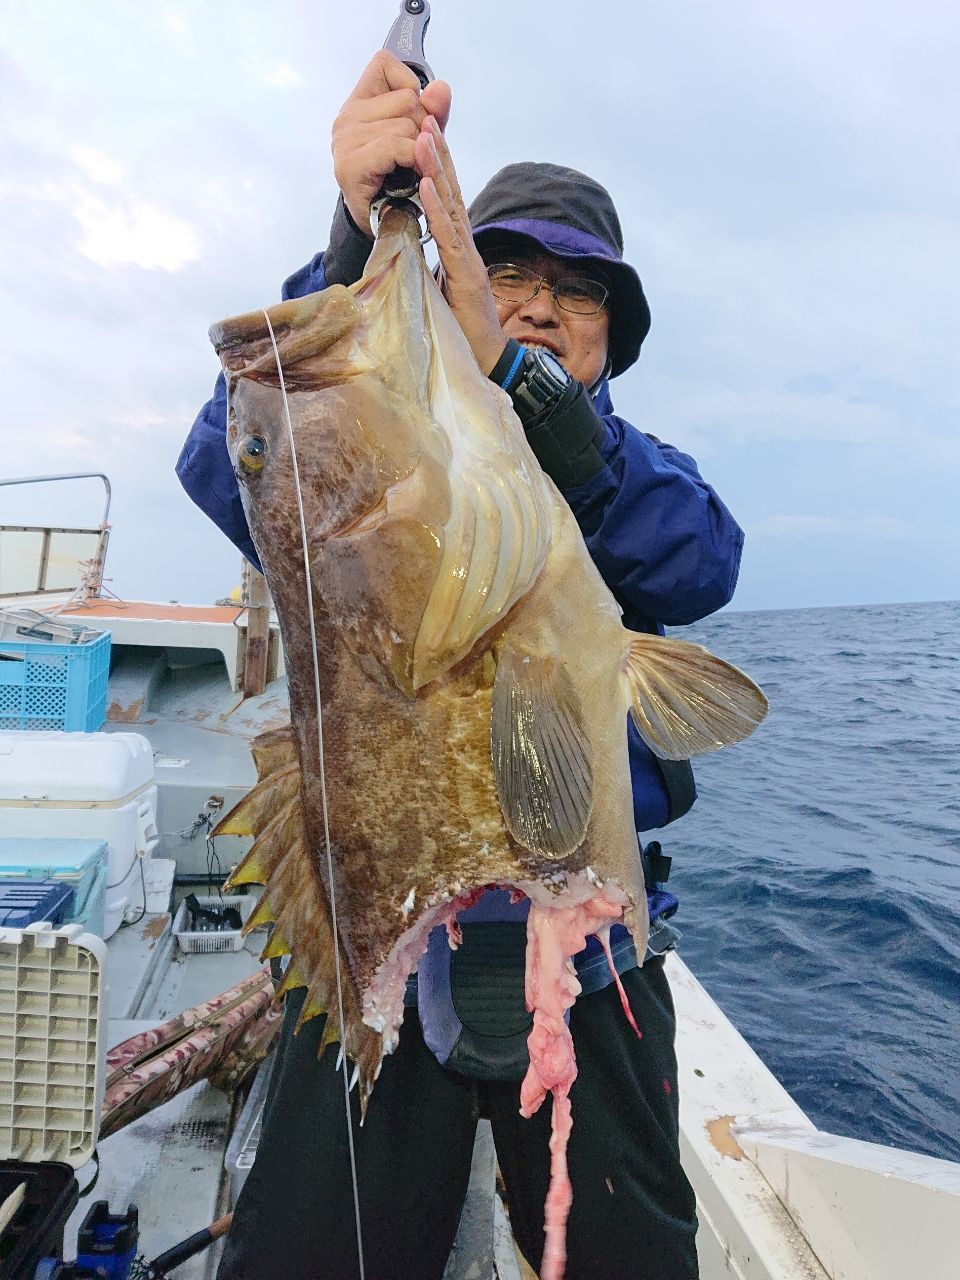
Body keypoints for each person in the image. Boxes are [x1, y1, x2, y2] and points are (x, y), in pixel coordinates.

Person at [177, 51, 743, 1280]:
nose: (538, 305)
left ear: (611, 340)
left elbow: (704, 562)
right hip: (387, 945)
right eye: (511, 272)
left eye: (575, 294)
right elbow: (238, 464)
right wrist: (349, 239)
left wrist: (522, 387)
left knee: (629, 1254)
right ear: (447, 274)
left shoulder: (622, 473)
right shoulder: (380, 448)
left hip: (587, 959)